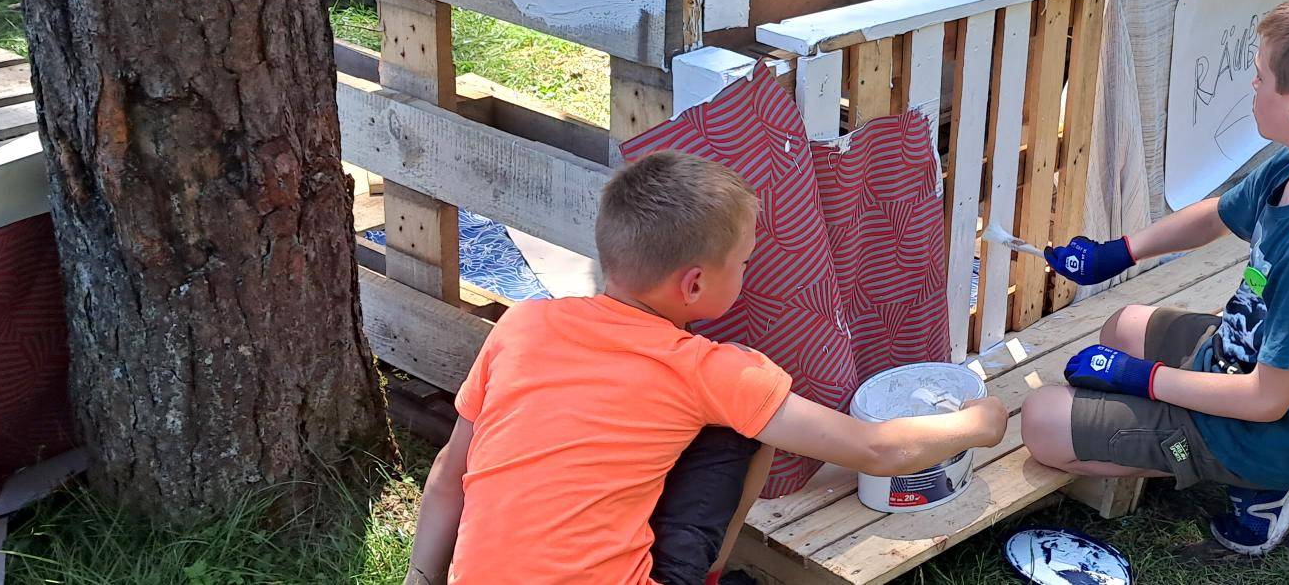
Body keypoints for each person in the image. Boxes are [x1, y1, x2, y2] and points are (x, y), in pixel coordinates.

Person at [405, 151, 1008, 585]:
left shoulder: (521, 328)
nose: (748, 272)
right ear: (694, 284)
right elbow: (875, 450)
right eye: (745, 262)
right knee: (748, 412)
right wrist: (982, 423)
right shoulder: (707, 369)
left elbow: (448, 474)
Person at [1022, 0, 1289, 557]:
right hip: (1239, 352)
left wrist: (1142, 380)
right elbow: (1217, 215)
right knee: (1123, 324)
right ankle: (1180, 423)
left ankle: (1263, 486)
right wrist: (1120, 252)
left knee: (1041, 421)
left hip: (1267, 432)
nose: (1251, 87)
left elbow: (1265, 400)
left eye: (1259, 78)